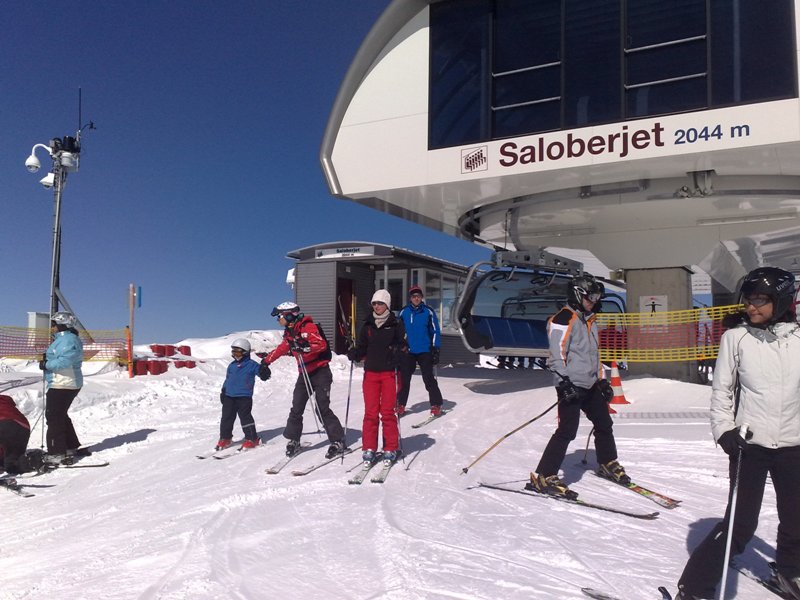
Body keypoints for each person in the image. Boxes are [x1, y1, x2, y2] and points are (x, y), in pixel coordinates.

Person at [676, 267, 800, 600]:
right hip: (749, 444)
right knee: (740, 524)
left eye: (760, 300)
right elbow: (722, 391)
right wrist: (724, 430)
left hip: (794, 444)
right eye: (749, 300)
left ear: (781, 301)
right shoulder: (737, 338)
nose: (751, 306)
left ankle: (790, 572)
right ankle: (694, 588)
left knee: (797, 518)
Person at [528, 274, 625, 499]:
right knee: (567, 431)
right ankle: (544, 476)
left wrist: (602, 379)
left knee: (604, 423)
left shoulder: (589, 320)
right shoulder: (563, 319)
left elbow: (593, 354)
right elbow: (556, 355)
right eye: (591, 297)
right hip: (570, 385)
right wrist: (564, 383)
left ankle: (607, 462)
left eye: (597, 298)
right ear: (578, 295)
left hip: (590, 384)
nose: (594, 302)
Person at [262, 302, 346, 459]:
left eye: (279, 316)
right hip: (304, 374)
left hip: (320, 372)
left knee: (322, 407)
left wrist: (304, 348)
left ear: (288, 315)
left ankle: (337, 440)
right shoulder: (289, 333)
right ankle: (294, 439)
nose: (278, 320)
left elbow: (320, 344)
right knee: (297, 407)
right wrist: (266, 362)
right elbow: (282, 348)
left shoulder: (307, 327)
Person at [347, 289, 407, 463]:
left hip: (389, 373)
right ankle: (369, 448)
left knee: (387, 412)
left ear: (387, 304)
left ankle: (391, 448)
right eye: (374, 303)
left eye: (380, 303)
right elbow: (362, 347)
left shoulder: (396, 323)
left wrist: (398, 352)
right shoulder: (367, 325)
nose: (377, 306)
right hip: (371, 373)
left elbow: (403, 345)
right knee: (370, 413)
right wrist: (355, 353)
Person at [39, 311, 87, 466]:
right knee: (60, 415)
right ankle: (70, 446)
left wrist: (46, 364)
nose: (52, 327)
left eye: (54, 324)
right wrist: (48, 358)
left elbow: (66, 361)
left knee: (54, 417)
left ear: (62, 325)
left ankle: (57, 453)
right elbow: (60, 356)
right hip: (63, 382)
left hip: (64, 383)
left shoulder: (68, 340)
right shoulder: (64, 339)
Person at [396, 285, 443, 417]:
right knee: (404, 379)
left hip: (425, 350)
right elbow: (398, 331)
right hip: (408, 351)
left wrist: (435, 348)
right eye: (413, 296)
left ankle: (436, 404)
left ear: (422, 297)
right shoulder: (404, 312)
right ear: (410, 298)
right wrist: (398, 347)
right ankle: (400, 404)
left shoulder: (428, 312)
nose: (416, 298)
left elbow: (435, 331)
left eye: (418, 296)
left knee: (428, 378)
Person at [217, 338, 270, 451]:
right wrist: (223, 391)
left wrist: (264, 372)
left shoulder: (252, 365)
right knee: (226, 418)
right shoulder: (231, 365)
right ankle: (225, 438)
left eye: (237, 352)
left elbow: (262, 374)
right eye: (233, 352)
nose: (235, 355)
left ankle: (252, 438)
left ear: (245, 352)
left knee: (245, 417)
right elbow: (228, 380)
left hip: (244, 396)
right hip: (229, 396)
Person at [0, 395, 31, 474]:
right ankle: (17, 464)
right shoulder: (7, 405)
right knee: (13, 459)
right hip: (23, 427)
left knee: (9, 461)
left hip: (5, 424)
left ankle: (14, 464)